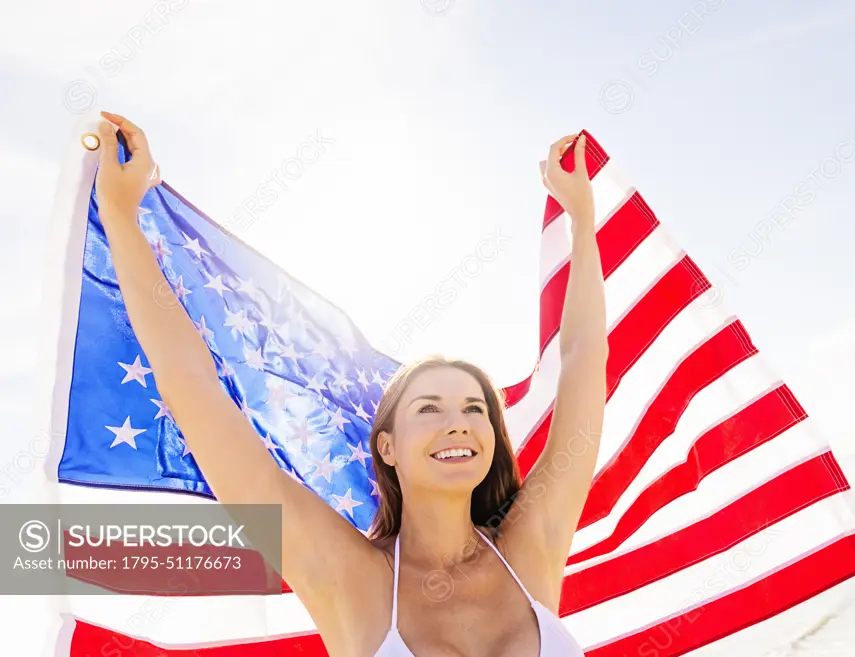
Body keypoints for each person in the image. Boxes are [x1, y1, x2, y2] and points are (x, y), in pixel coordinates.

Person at [94, 110, 608, 657]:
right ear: (386, 445)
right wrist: (122, 217)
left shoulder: (531, 554)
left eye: (474, 409)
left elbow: (580, 359)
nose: (458, 423)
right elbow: (193, 389)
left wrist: (580, 218)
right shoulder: (349, 579)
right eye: (430, 409)